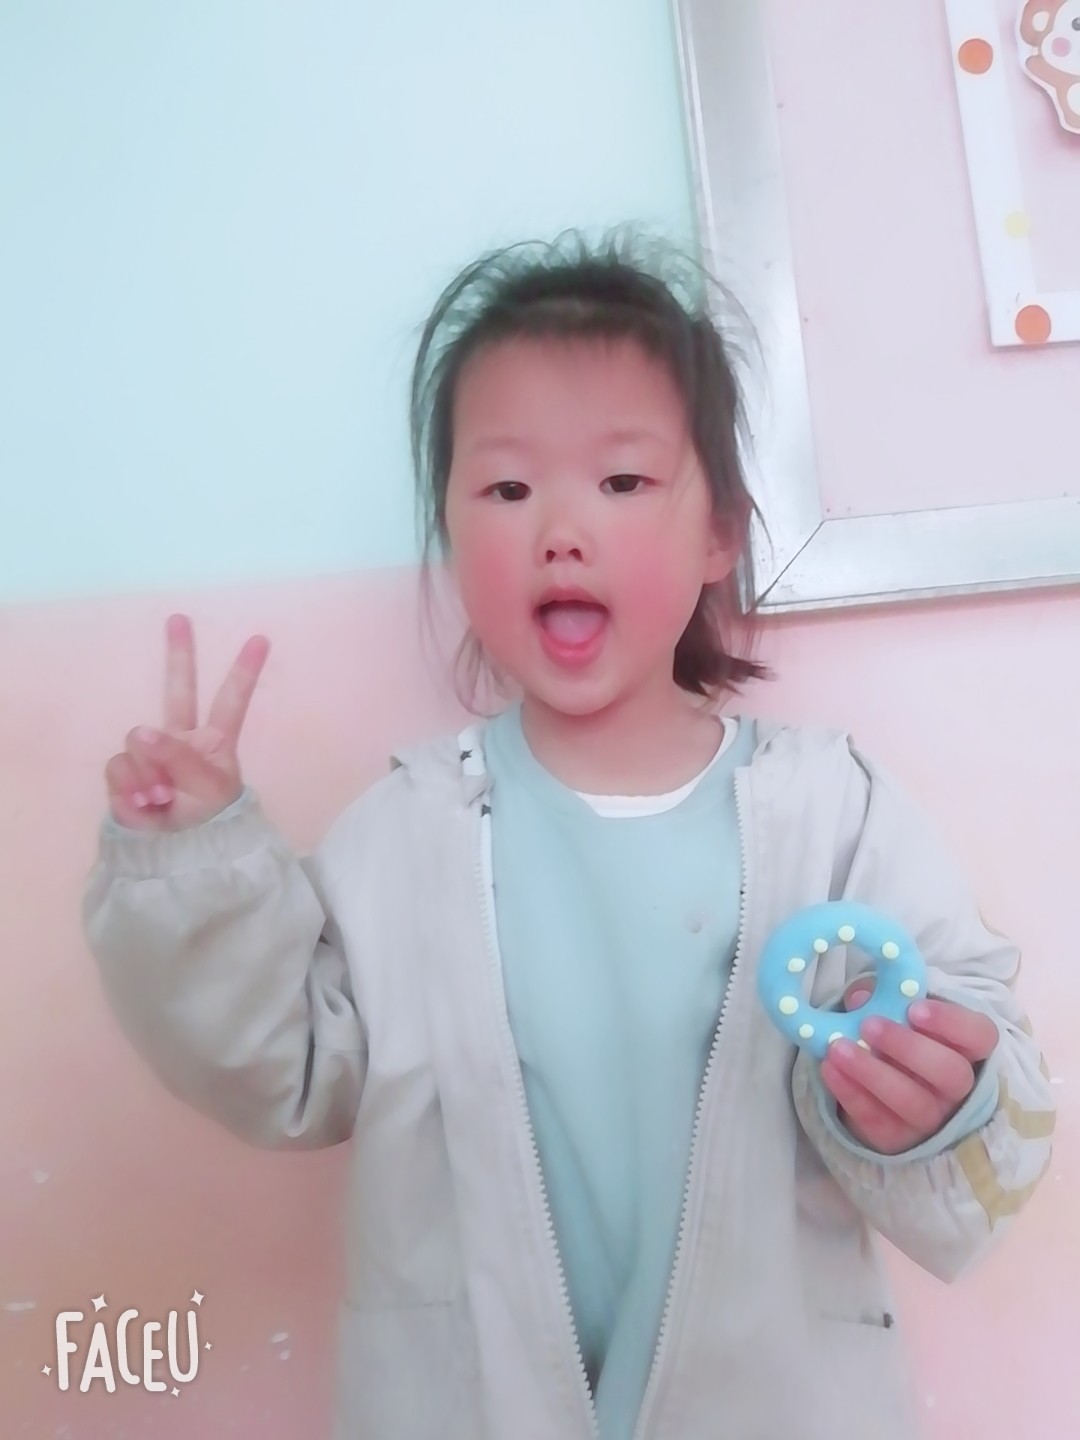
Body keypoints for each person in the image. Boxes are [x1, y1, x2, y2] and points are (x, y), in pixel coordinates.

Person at [82, 232, 1055, 1440]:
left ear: (720, 533)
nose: (560, 529)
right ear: (452, 534)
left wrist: (936, 1101)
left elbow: (973, 1036)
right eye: (506, 490)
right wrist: (194, 866)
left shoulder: (831, 811)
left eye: (623, 481)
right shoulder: (409, 829)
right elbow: (284, 1065)